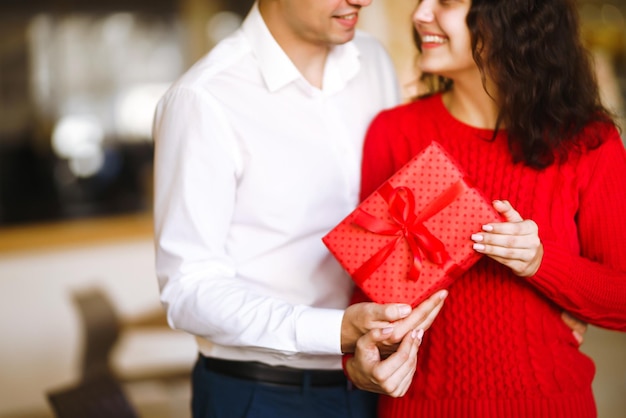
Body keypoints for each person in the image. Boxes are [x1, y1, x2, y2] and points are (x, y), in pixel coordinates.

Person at [151, 1, 449, 417]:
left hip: (377, 387)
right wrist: (335, 331)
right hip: (263, 396)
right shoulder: (204, 98)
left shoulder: (373, 60)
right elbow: (188, 289)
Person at [345, 0, 626, 416]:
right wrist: (359, 362)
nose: (421, 15)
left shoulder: (588, 142)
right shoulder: (394, 133)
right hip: (419, 407)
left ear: (513, 16)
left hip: (548, 405)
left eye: (445, 2)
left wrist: (541, 263)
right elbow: (367, 297)